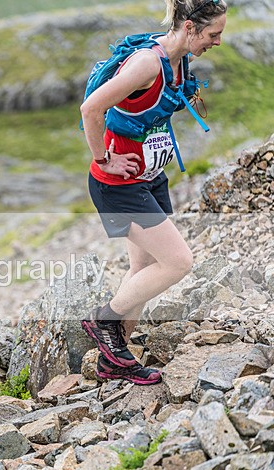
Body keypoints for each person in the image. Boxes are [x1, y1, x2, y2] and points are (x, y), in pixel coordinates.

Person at [80, 0, 226, 384]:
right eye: (214, 34)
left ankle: (115, 360)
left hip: (150, 178)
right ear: (191, 27)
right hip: (119, 184)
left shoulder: (180, 62)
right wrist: (102, 158)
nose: (219, 41)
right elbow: (91, 108)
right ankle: (104, 320)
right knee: (179, 262)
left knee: (143, 268)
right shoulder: (148, 62)